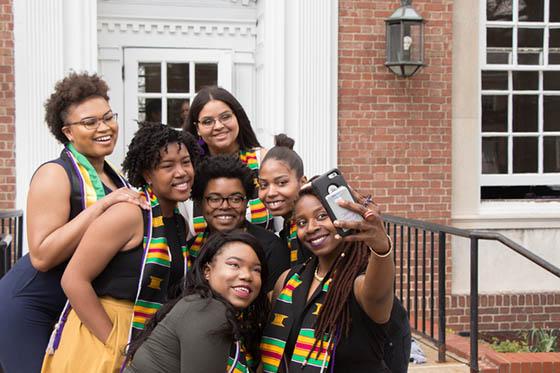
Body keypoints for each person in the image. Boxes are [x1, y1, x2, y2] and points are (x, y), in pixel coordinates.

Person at [0, 72, 148, 373]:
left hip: (76, 307)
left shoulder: (114, 177)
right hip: (30, 305)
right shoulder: (54, 174)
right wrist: (103, 205)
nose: (104, 127)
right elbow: (42, 255)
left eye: (108, 117)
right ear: (68, 132)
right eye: (89, 122)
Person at [41, 123, 200, 372]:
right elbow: (73, 280)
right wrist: (114, 342)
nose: (181, 172)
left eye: (186, 162)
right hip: (101, 334)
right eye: (167, 166)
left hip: (146, 336)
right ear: (148, 174)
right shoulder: (129, 213)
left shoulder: (178, 221)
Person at [258, 135, 411, 372]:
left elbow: (379, 293)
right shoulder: (288, 281)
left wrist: (381, 245)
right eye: (301, 222)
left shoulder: (359, 286)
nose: (311, 228)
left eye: (322, 216)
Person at [124, 231, 269, 373]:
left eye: (256, 270)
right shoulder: (208, 310)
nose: (247, 276)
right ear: (207, 271)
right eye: (234, 265)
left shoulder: (203, 304)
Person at [188, 154, 289, 293]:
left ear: (246, 202)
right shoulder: (191, 249)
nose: (225, 206)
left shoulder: (270, 248)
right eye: (214, 199)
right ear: (200, 203)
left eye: (235, 199)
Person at [182, 86, 271, 232]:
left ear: (237, 118)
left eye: (225, 117)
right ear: (197, 128)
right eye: (207, 121)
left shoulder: (263, 160)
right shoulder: (190, 172)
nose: (218, 126)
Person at [257, 134, 312, 265]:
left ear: (303, 182)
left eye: (281, 183)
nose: (270, 193)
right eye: (263, 185)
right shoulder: (288, 229)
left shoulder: (314, 226)